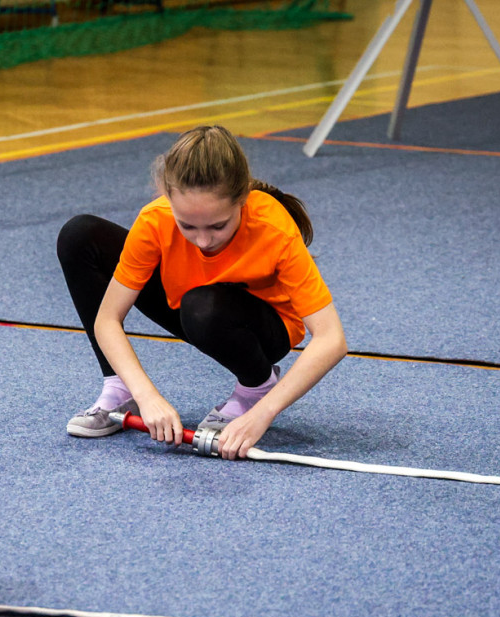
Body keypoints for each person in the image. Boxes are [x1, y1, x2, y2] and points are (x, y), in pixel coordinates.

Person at [57, 125, 347, 460]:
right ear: (167, 198)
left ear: (242, 199)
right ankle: (118, 389)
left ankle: (256, 386)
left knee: (203, 305)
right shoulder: (155, 220)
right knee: (80, 235)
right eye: (187, 226)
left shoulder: (273, 228)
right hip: (189, 304)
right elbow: (107, 319)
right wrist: (146, 395)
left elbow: (331, 339)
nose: (204, 241)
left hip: (262, 329)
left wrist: (261, 413)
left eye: (218, 225)